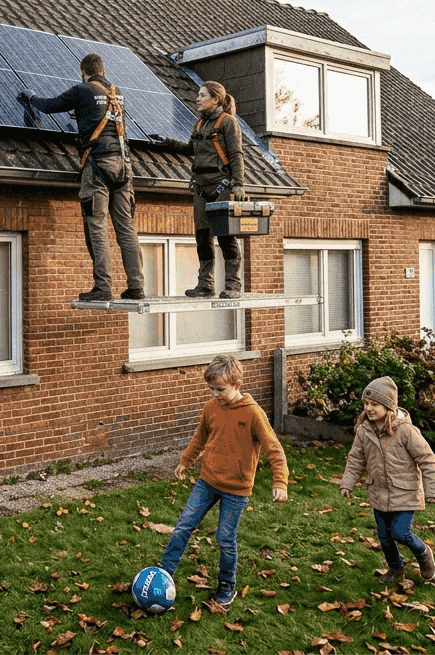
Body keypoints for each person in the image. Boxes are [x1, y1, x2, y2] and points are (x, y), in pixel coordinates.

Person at [162, 354, 289, 606]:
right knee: (183, 526)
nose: (215, 394)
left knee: (225, 538)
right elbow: (200, 438)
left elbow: (274, 449)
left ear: (237, 384)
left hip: (236, 490)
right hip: (207, 482)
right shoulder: (211, 408)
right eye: (211, 388)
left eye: (220, 389)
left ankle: (226, 584)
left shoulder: (253, 414)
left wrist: (280, 482)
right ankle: (165, 572)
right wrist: (186, 461)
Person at [19, 54, 144, 302]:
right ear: (103, 70)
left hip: (98, 165)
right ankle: (136, 287)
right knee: (126, 229)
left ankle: (103, 287)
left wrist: (29, 97)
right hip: (124, 166)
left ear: (83, 72)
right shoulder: (117, 93)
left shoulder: (82, 89)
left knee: (96, 226)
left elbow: (49, 106)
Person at [338, 377, 435, 584]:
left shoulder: (405, 431)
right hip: (379, 492)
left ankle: (423, 554)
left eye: (375, 404)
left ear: (388, 407)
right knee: (385, 537)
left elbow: (427, 459)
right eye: (366, 404)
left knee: (400, 532)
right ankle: (396, 567)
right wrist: (347, 483)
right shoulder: (364, 431)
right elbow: (356, 459)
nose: (369, 408)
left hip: (405, 492)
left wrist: (433, 490)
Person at [148, 81, 245, 298]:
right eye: (198, 95)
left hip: (221, 184)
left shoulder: (228, 122)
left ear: (216, 99)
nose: (197, 99)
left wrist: (238, 184)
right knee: (202, 236)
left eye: (202, 95)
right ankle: (205, 285)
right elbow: (190, 148)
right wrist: (168, 142)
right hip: (200, 186)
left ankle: (233, 286)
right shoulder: (199, 124)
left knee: (225, 235)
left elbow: (237, 154)